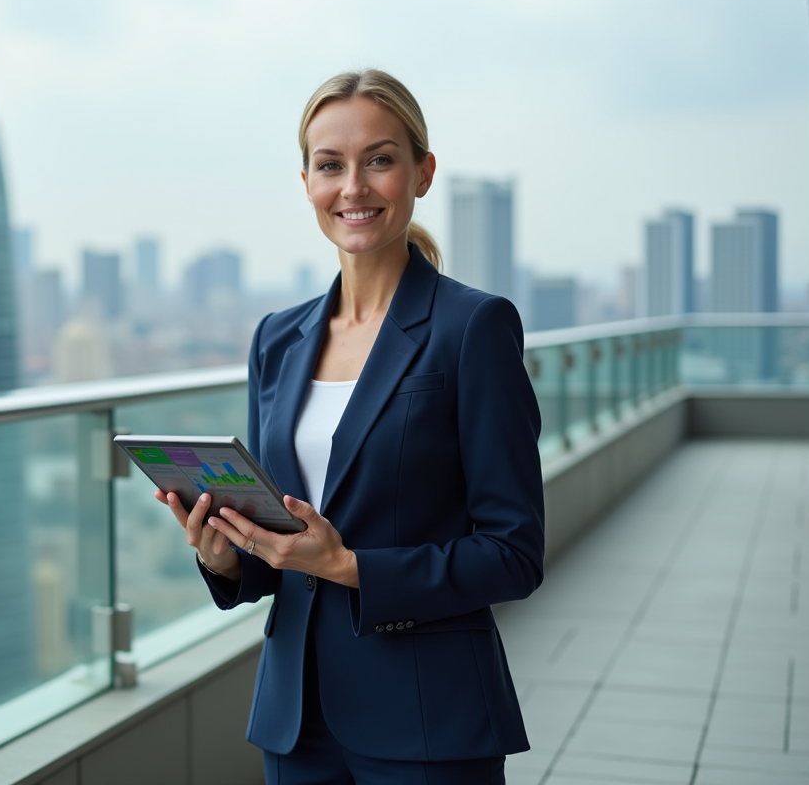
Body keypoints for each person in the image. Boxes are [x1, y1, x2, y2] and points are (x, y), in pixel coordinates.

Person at [155, 69, 544, 785]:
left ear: (422, 173)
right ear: (306, 182)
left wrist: (350, 566)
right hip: (295, 719)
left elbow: (514, 553)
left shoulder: (473, 327)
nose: (353, 187)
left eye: (381, 160)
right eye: (330, 165)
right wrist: (225, 557)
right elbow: (282, 543)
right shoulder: (277, 338)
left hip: (428, 717)